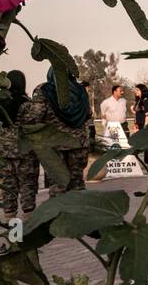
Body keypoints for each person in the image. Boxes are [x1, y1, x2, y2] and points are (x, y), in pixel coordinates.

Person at [18, 67, 93, 197]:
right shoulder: (80, 90)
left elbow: (35, 116)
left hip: (55, 145)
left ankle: (60, 214)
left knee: (58, 185)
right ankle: (80, 213)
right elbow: (88, 113)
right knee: (77, 183)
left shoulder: (44, 90)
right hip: (78, 143)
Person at [0, 70, 36, 218]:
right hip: (23, 150)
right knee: (27, 186)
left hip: (3, 149)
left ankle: (13, 232)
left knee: (8, 187)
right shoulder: (25, 102)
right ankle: (28, 229)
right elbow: (32, 125)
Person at [132, 83, 148, 166]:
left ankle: (147, 162)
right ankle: (137, 161)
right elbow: (137, 113)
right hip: (139, 124)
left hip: (145, 124)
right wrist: (135, 123)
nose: (135, 92)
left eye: (137, 90)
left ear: (142, 90)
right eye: (135, 90)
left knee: (146, 144)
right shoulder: (138, 100)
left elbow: (147, 113)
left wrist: (146, 125)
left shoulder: (146, 99)